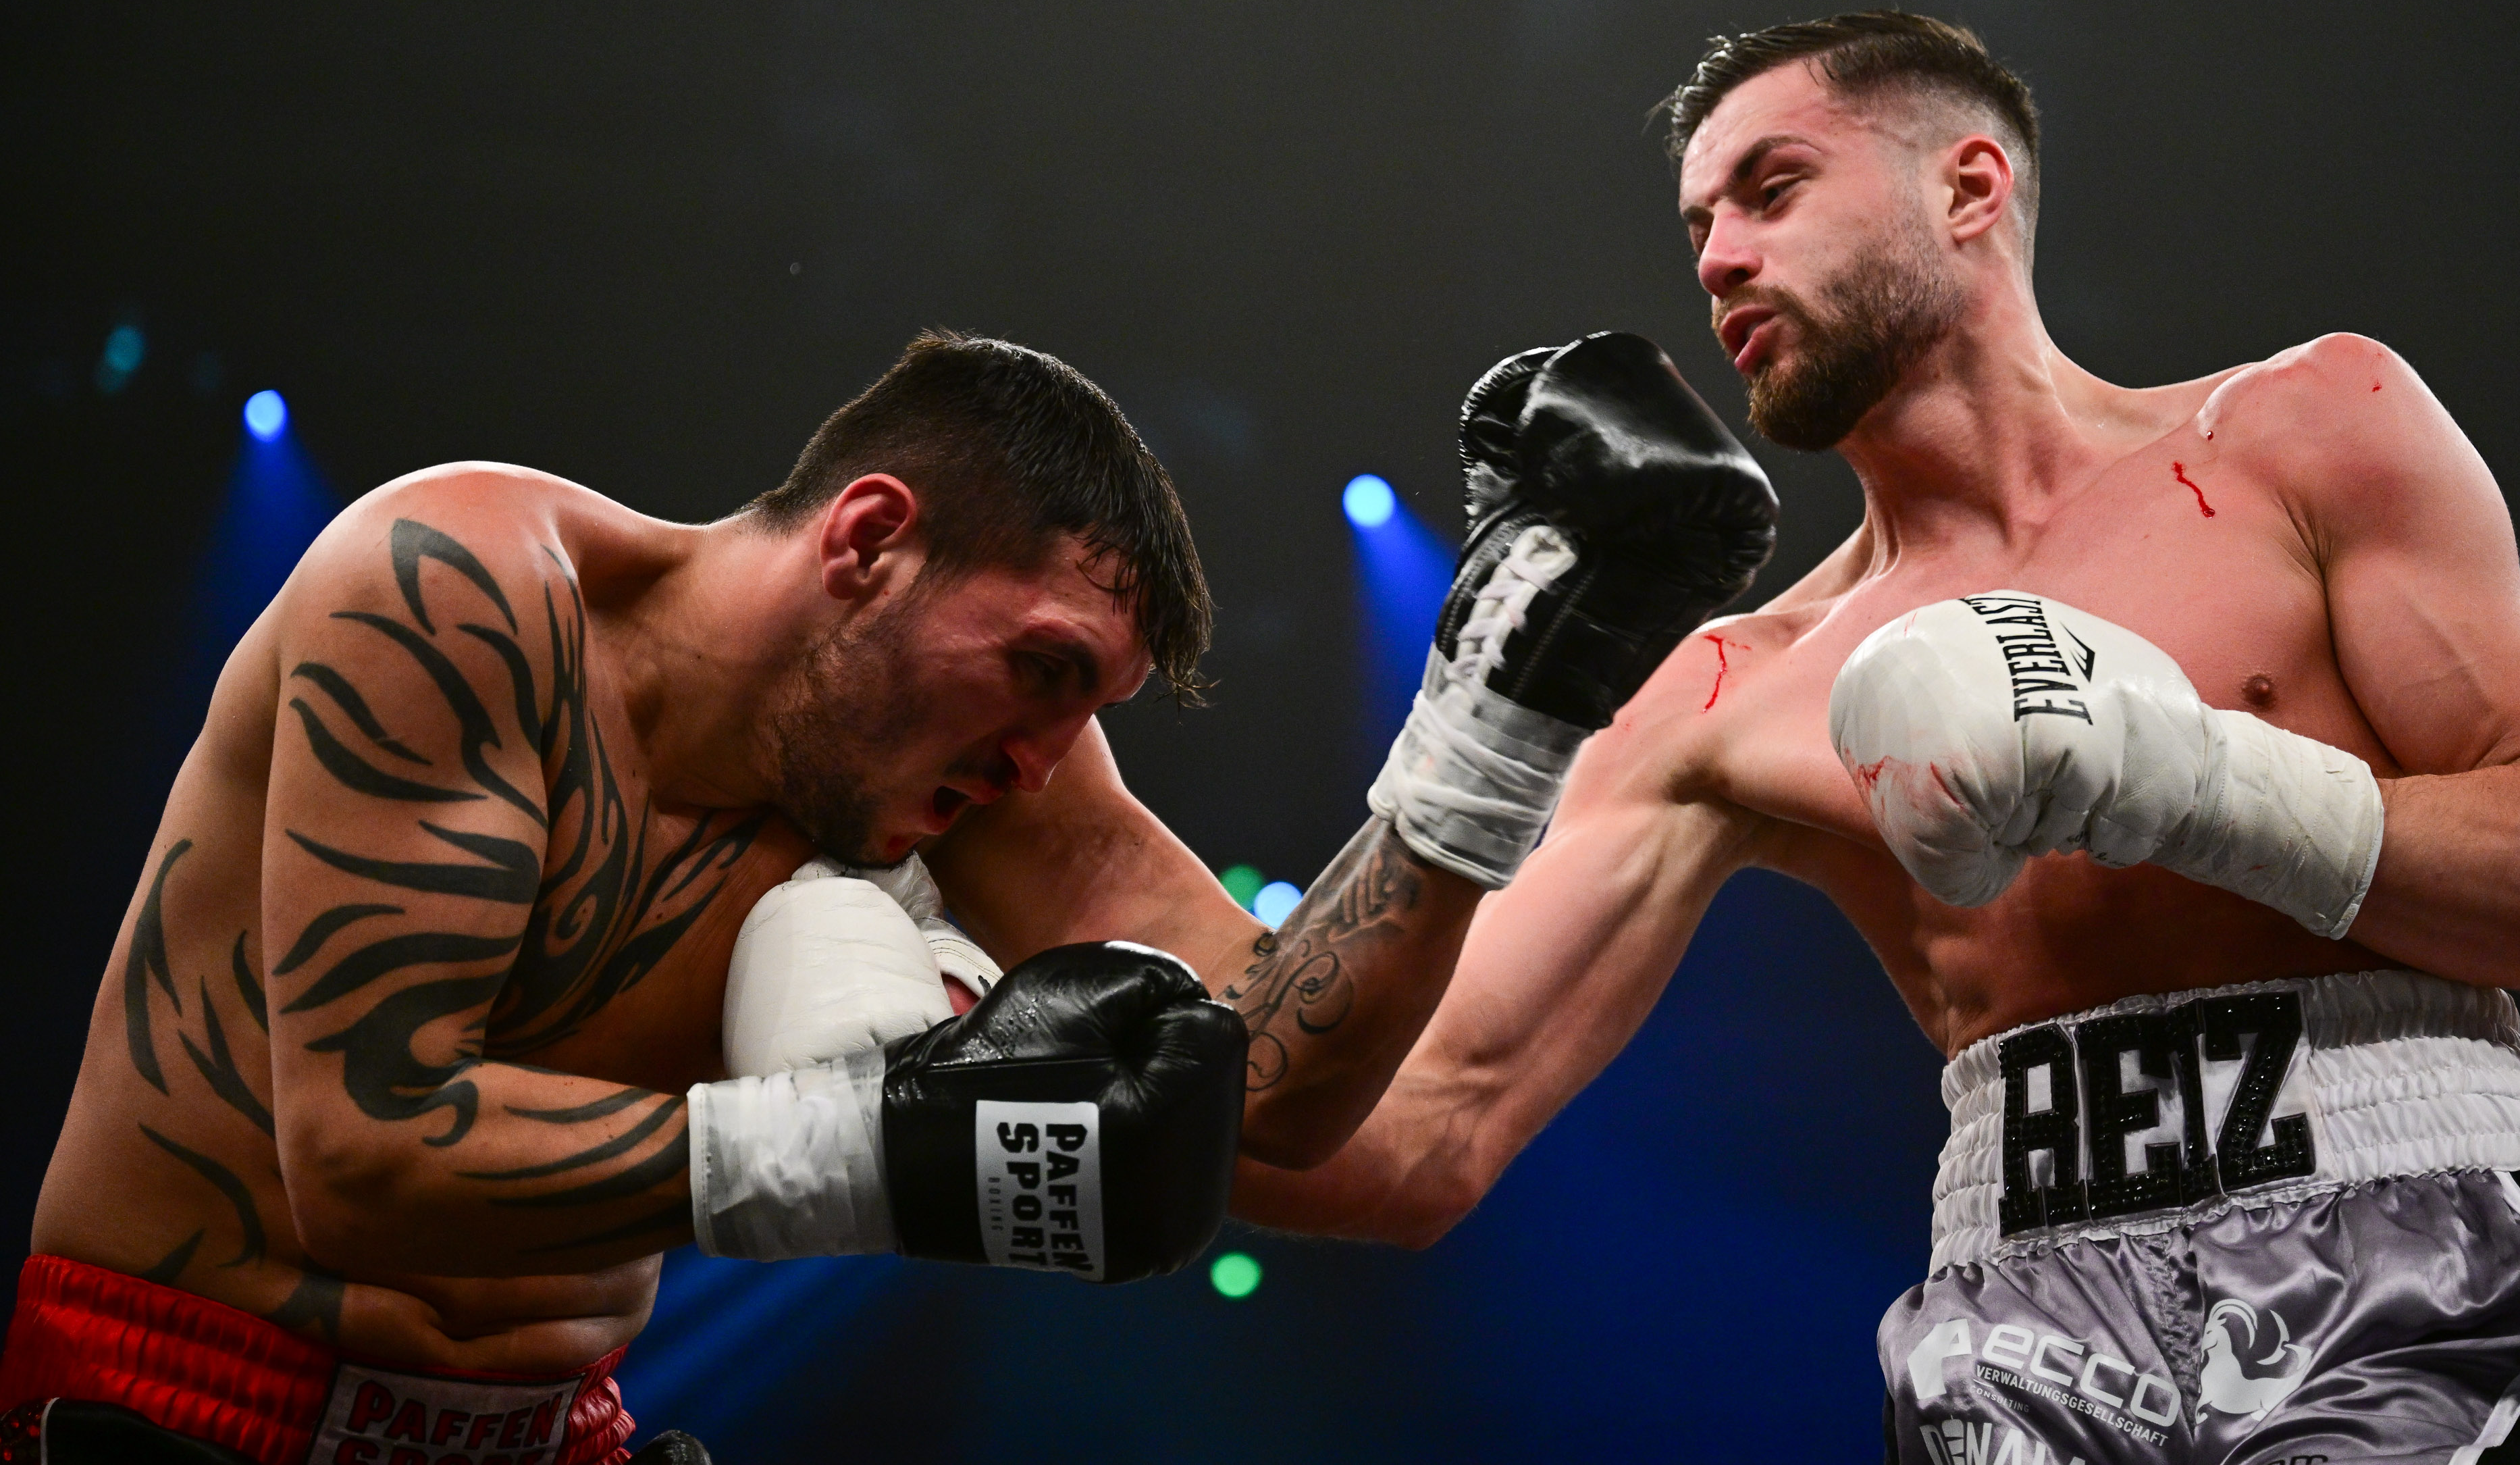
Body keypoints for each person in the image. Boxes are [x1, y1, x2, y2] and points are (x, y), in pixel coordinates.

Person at [1233, 13, 2520, 1462]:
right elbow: (1414, 1132)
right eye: (1696, 223)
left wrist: (2179, 773)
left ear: (1968, 186)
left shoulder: (2302, 436)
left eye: (1771, 188)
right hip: (2017, 1330)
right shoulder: (1729, 690)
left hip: (2413, 1247)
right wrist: (1061, 1104)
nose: (1717, 258)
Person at [5, 328, 1774, 1465]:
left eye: (1085, 711)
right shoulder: (460, 594)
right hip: (178, 1399)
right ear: (867, 540)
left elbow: (1296, 1107)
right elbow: (366, 1151)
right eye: (1042, 669)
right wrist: (875, 1147)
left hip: (556, 1434)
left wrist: (1493, 724)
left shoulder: (978, 767)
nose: (1041, 760)